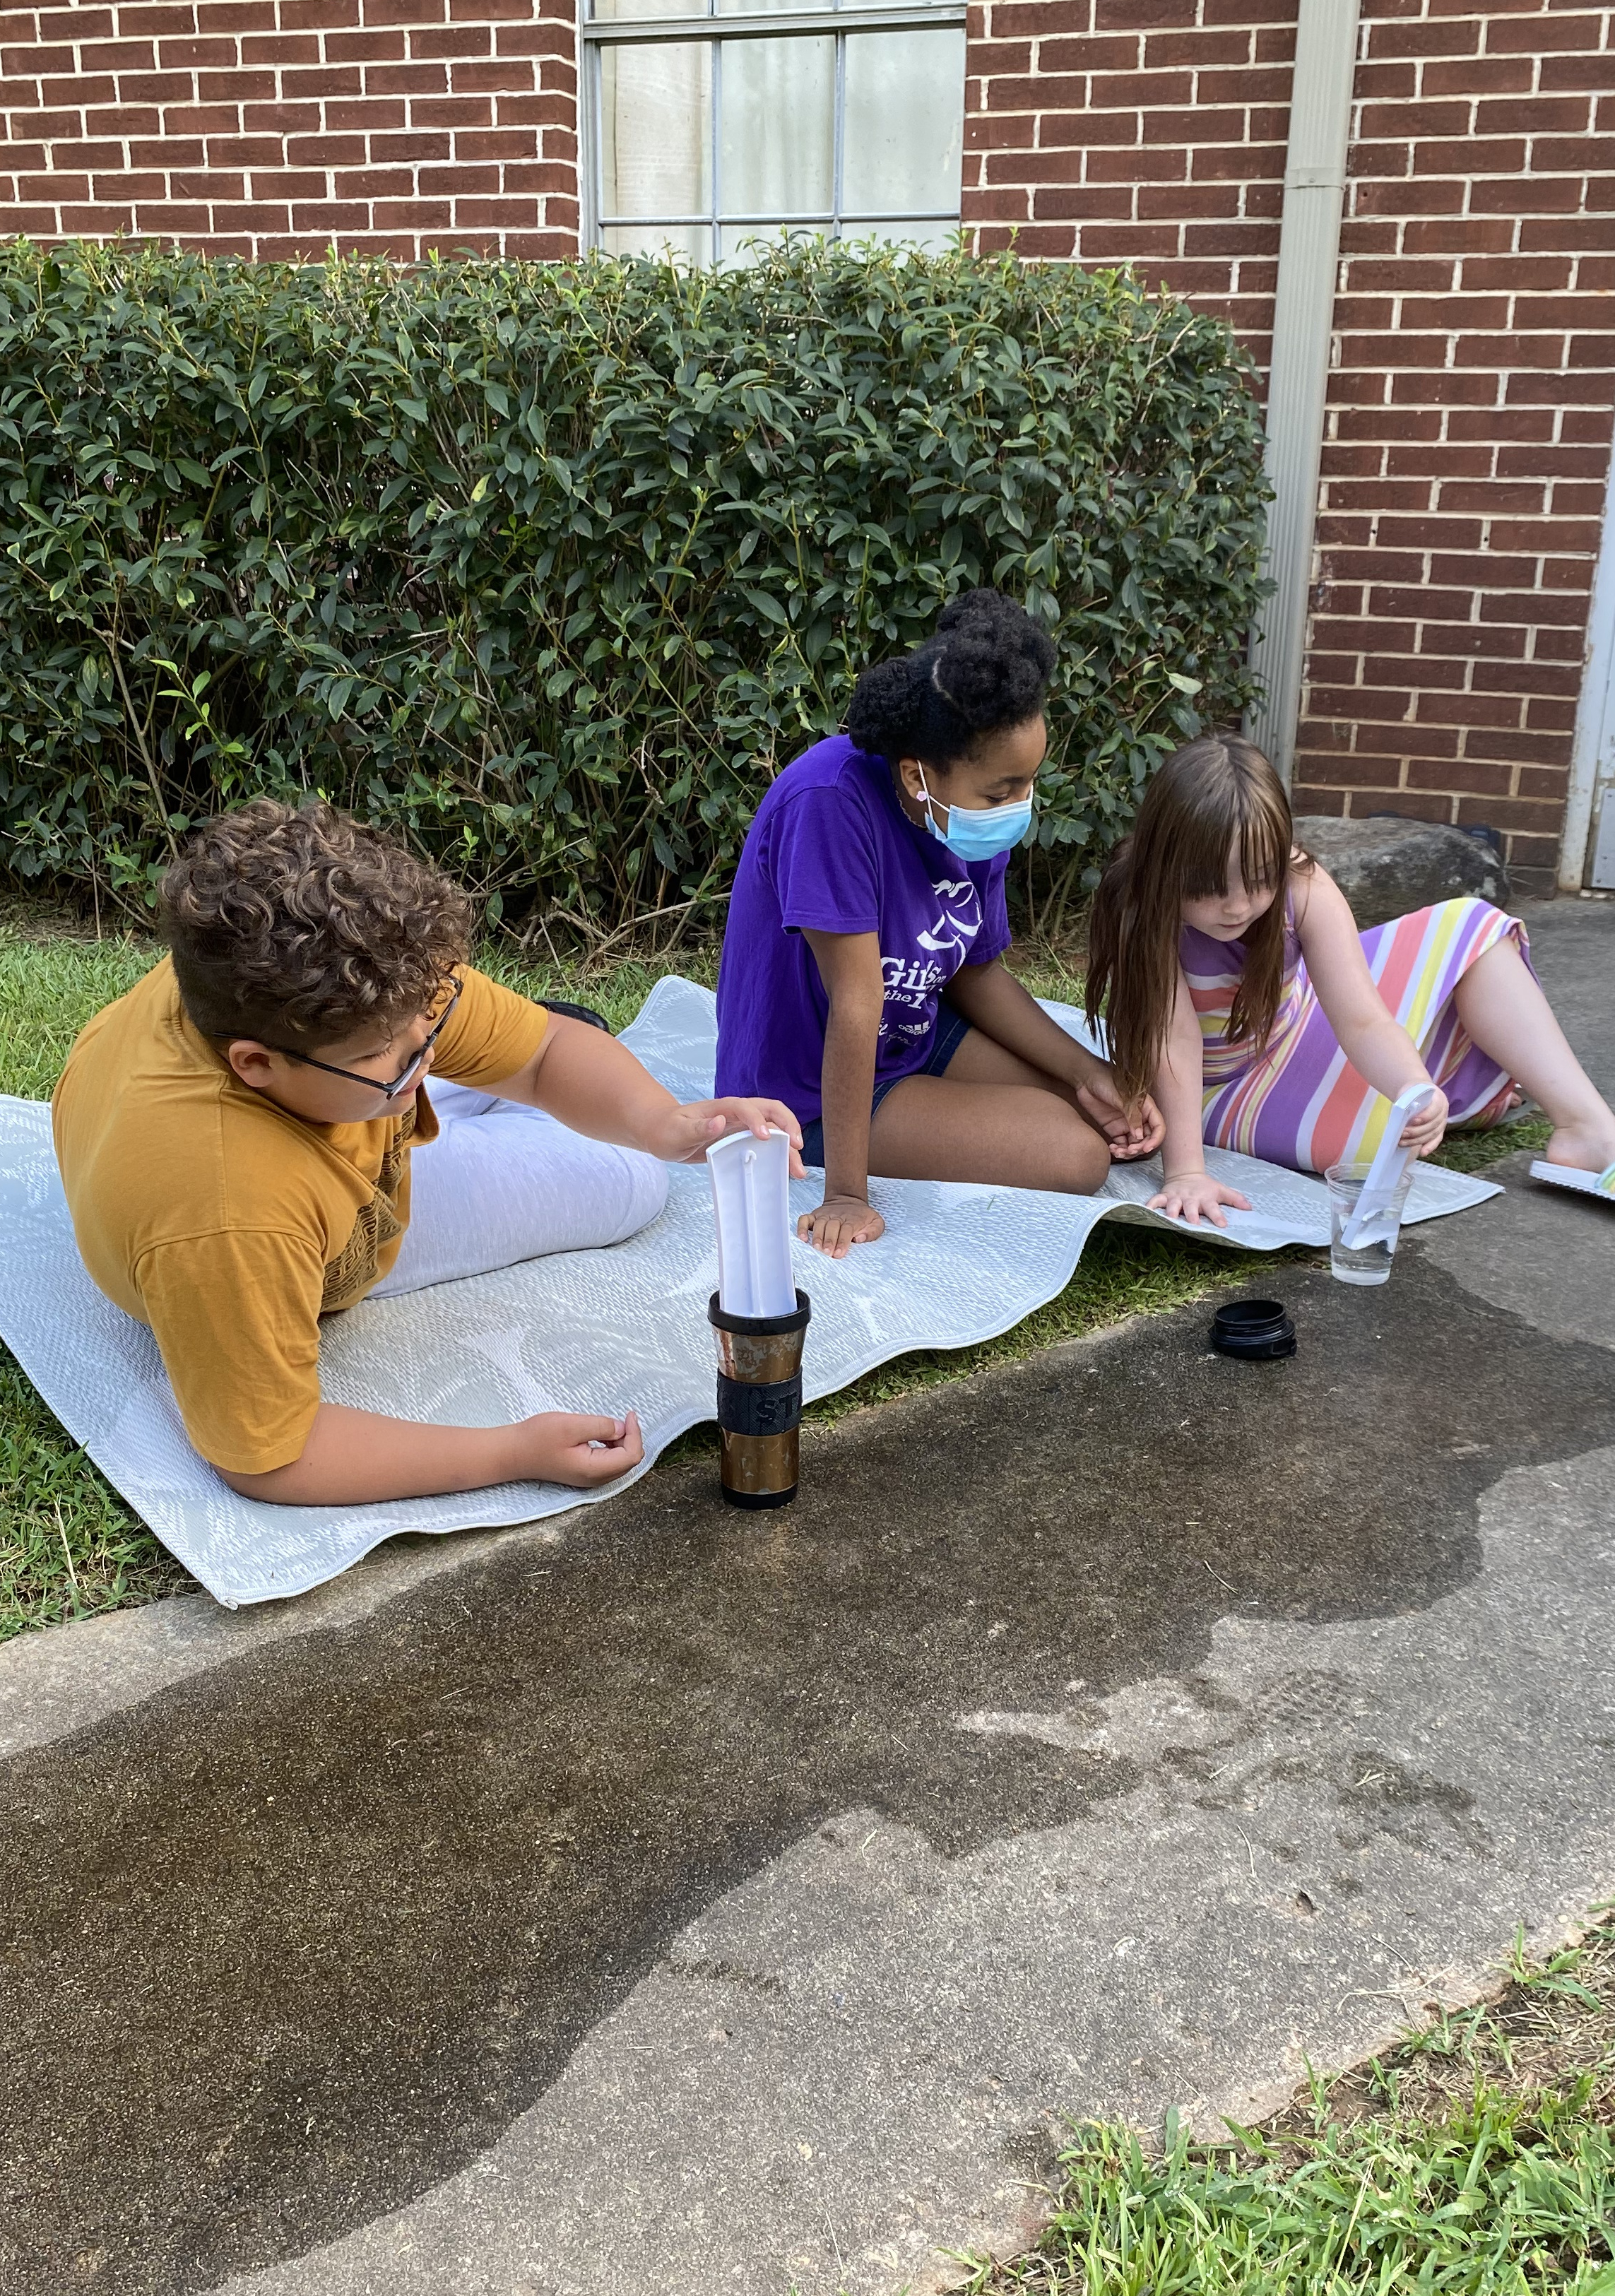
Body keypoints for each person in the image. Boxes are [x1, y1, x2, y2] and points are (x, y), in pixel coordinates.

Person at [52, 800, 800, 1504]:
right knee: (631, 1179)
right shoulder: (232, 1212)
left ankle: (453, 1088)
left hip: (270, 1120)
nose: (423, 1055)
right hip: (245, 1200)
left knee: (586, 1101)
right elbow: (273, 1457)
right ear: (256, 1063)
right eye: (390, 1053)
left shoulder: (291, 978)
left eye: (430, 1027)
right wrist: (512, 1453)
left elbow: (542, 1053)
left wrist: (669, 1124)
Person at [714, 588, 1164, 1258]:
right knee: (1077, 1154)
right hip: (807, 1084)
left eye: (1029, 782)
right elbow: (857, 1002)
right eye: (1001, 792)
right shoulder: (829, 802)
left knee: (1095, 1111)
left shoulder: (967, 815)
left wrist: (1087, 1071)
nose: (1019, 806)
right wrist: (845, 1195)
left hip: (910, 1031)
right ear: (915, 775)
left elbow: (974, 968)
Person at [1084, 732, 1615, 1226]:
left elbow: (1360, 1019)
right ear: (1165, 864)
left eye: (1259, 879)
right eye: (1207, 886)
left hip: (1295, 1028)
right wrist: (1186, 1172)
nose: (1238, 906)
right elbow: (1175, 1043)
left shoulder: (1300, 881)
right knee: (1378, 1150)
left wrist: (1412, 1086)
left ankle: (1587, 1128)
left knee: (1471, 931)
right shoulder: (1141, 908)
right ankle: (1470, 1082)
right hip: (1213, 1089)